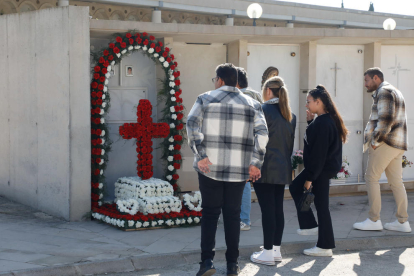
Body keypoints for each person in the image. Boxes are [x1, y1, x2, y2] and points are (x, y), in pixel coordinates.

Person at [187, 63, 269, 276]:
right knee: (232, 216)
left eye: (215, 79)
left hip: (209, 168)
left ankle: (207, 262)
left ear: (220, 80)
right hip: (239, 169)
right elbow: (263, 134)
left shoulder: (204, 99)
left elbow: (191, 124)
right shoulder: (253, 104)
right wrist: (255, 163)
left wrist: (201, 155)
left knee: (210, 214)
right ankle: (232, 264)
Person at [289, 85, 347, 257]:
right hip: (321, 168)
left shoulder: (323, 123)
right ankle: (312, 229)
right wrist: (309, 122)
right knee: (302, 192)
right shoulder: (325, 120)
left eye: (308, 102)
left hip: (320, 169)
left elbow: (319, 153)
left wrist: (310, 178)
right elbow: (318, 144)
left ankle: (323, 244)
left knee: (320, 205)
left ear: (318, 102)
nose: (306, 105)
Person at [353, 68, 411, 233]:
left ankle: (374, 220)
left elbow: (385, 120)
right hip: (398, 144)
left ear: (375, 78)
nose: (365, 84)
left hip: (386, 142)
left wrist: (376, 141)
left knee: (371, 177)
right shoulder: (395, 91)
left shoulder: (384, 92)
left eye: (366, 80)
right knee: (396, 182)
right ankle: (402, 222)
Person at [250, 76, 296, 266]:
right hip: (282, 167)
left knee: (268, 210)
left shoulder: (262, 109)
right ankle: (275, 250)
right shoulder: (289, 114)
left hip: (264, 167)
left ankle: (268, 252)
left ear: (268, 90)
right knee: (277, 209)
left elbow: (255, 139)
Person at [236, 67, 264, 232]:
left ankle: (244, 220)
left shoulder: (241, 97)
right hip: (256, 144)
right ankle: (242, 218)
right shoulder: (257, 96)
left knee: (244, 183)